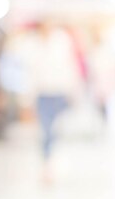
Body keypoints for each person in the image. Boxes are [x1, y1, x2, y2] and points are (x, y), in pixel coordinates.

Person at [27, 21, 83, 179]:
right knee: (45, 131)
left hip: (59, 91)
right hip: (43, 93)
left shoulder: (62, 41)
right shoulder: (33, 44)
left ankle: (54, 160)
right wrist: (29, 96)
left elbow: (70, 65)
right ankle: (47, 162)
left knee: (57, 129)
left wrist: (74, 89)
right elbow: (31, 71)